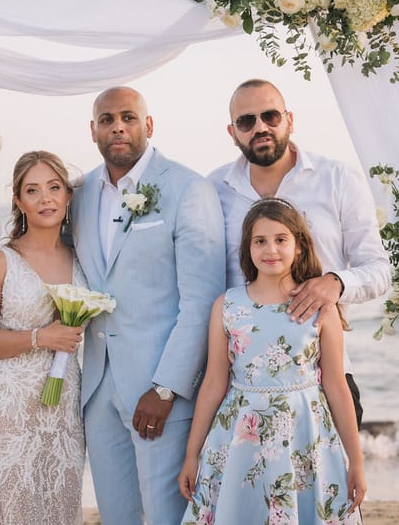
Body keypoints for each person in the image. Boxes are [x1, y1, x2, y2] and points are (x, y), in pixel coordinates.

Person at [70, 86, 226, 524]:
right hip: (98, 392)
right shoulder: (79, 194)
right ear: (93, 131)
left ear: (149, 125)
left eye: (128, 117)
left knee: (166, 517)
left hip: (160, 395)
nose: (118, 127)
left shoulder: (188, 189)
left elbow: (203, 302)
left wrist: (167, 387)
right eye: (107, 120)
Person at [208, 79, 390, 427]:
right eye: (246, 121)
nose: (260, 127)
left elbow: (379, 269)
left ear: (289, 119)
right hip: (240, 382)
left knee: (337, 464)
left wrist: (335, 283)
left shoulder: (337, 179)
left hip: (324, 374)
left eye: (270, 116)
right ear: (232, 132)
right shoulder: (213, 190)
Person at [178, 198, 366, 523]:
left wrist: (357, 461)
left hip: (305, 436)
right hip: (240, 438)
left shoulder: (320, 308)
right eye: (260, 241)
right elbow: (213, 383)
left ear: (299, 246)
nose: (271, 250)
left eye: (281, 239)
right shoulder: (227, 305)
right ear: (248, 248)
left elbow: (336, 387)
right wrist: (192, 455)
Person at [0, 150, 86, 524]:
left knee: (60, 511)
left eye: (54, 188)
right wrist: (41, 338)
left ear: (68, 195)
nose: (45, 199)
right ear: (18, 201)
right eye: (32, 190)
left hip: (63, 409)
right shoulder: (0, 261)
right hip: (6, 410)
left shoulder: (84, 258)